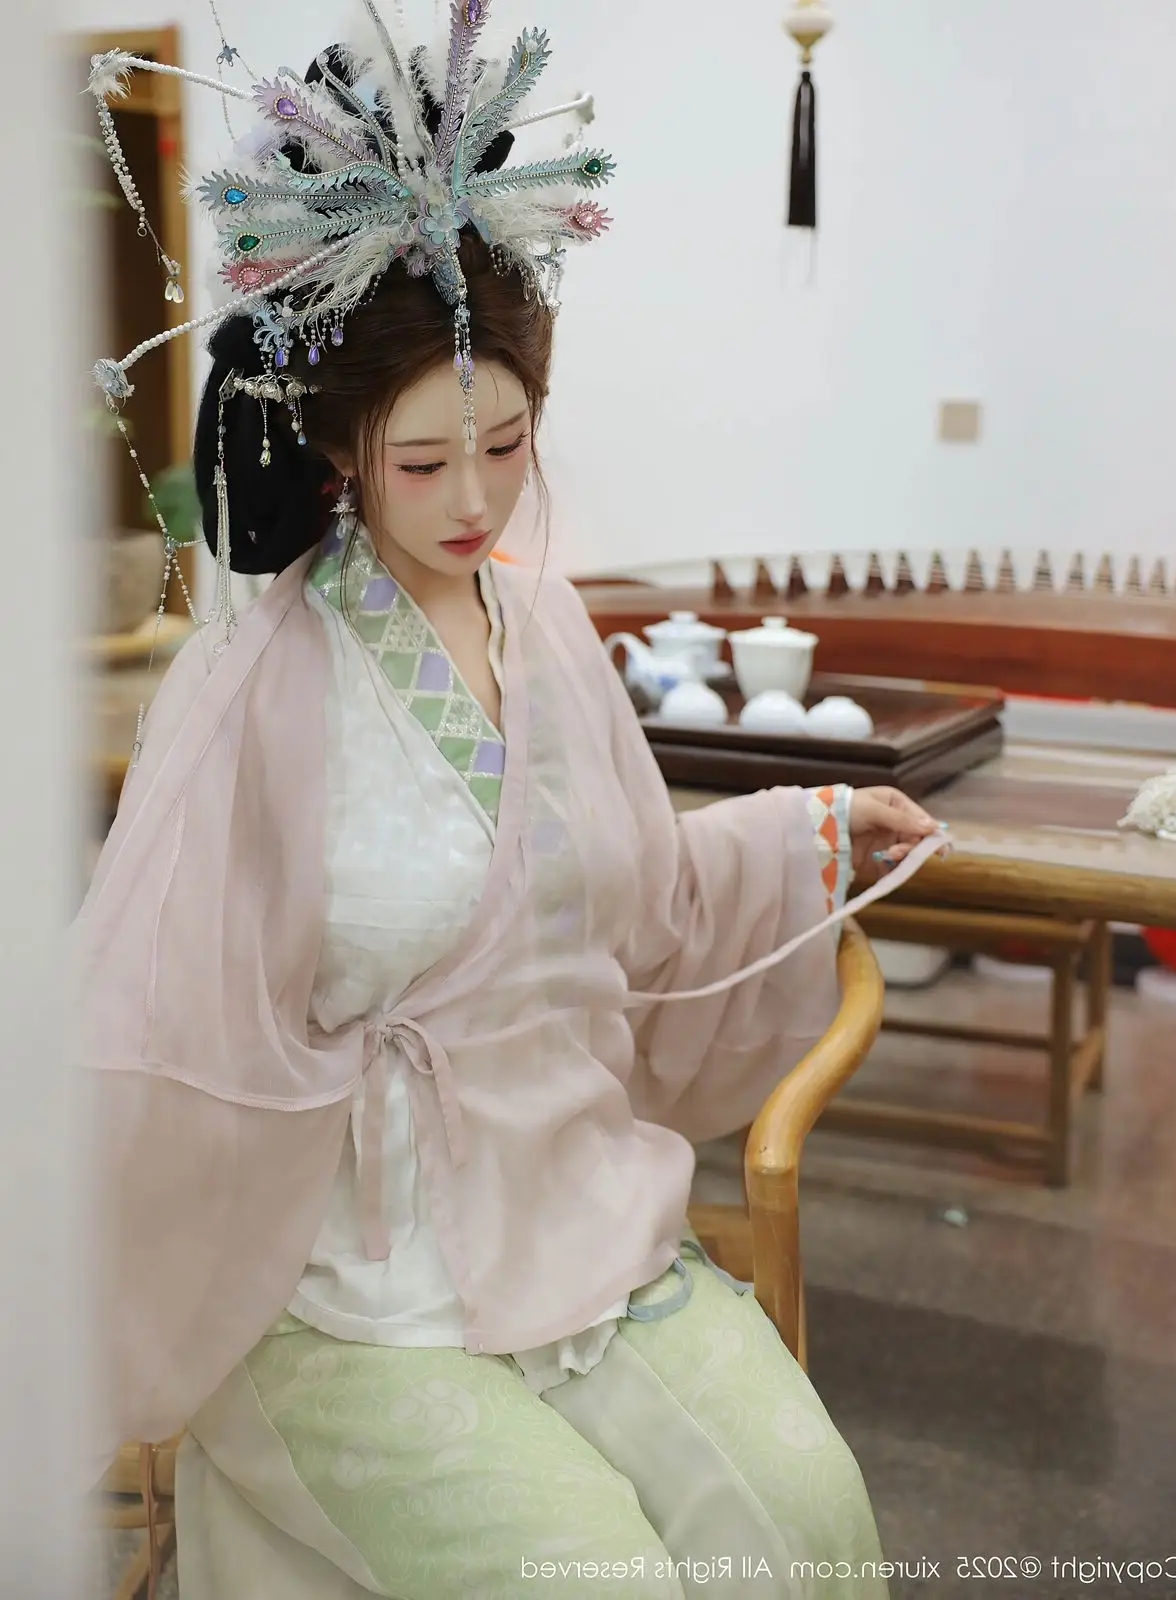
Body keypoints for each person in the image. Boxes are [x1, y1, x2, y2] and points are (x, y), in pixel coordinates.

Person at [80, 13, 939, 1597]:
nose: (476, 500)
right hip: (346, 1273)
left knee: (809, 1522)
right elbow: (152, 1014)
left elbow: (633, 896)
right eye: (423, 465)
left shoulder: (546, 626)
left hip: (571, 1212)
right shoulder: (252, 679)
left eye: (506, 444)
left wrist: (811, 828)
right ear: (339, 448)